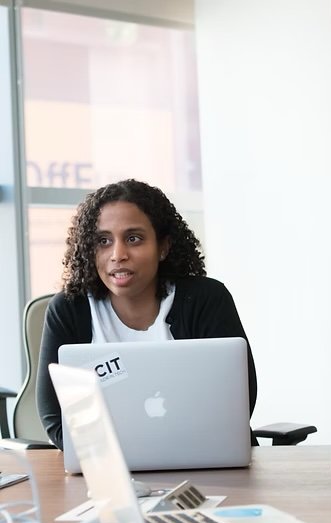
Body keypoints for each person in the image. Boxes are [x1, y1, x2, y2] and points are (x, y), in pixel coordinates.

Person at [37, 178, 257, 450]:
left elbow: (238, 400)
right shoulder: (70, 309)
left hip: (207, 461)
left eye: (133, 238)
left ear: (163, 246)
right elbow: (55, 417)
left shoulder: (205, 299)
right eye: (103, 241)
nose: (118, 254)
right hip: (108, 470)